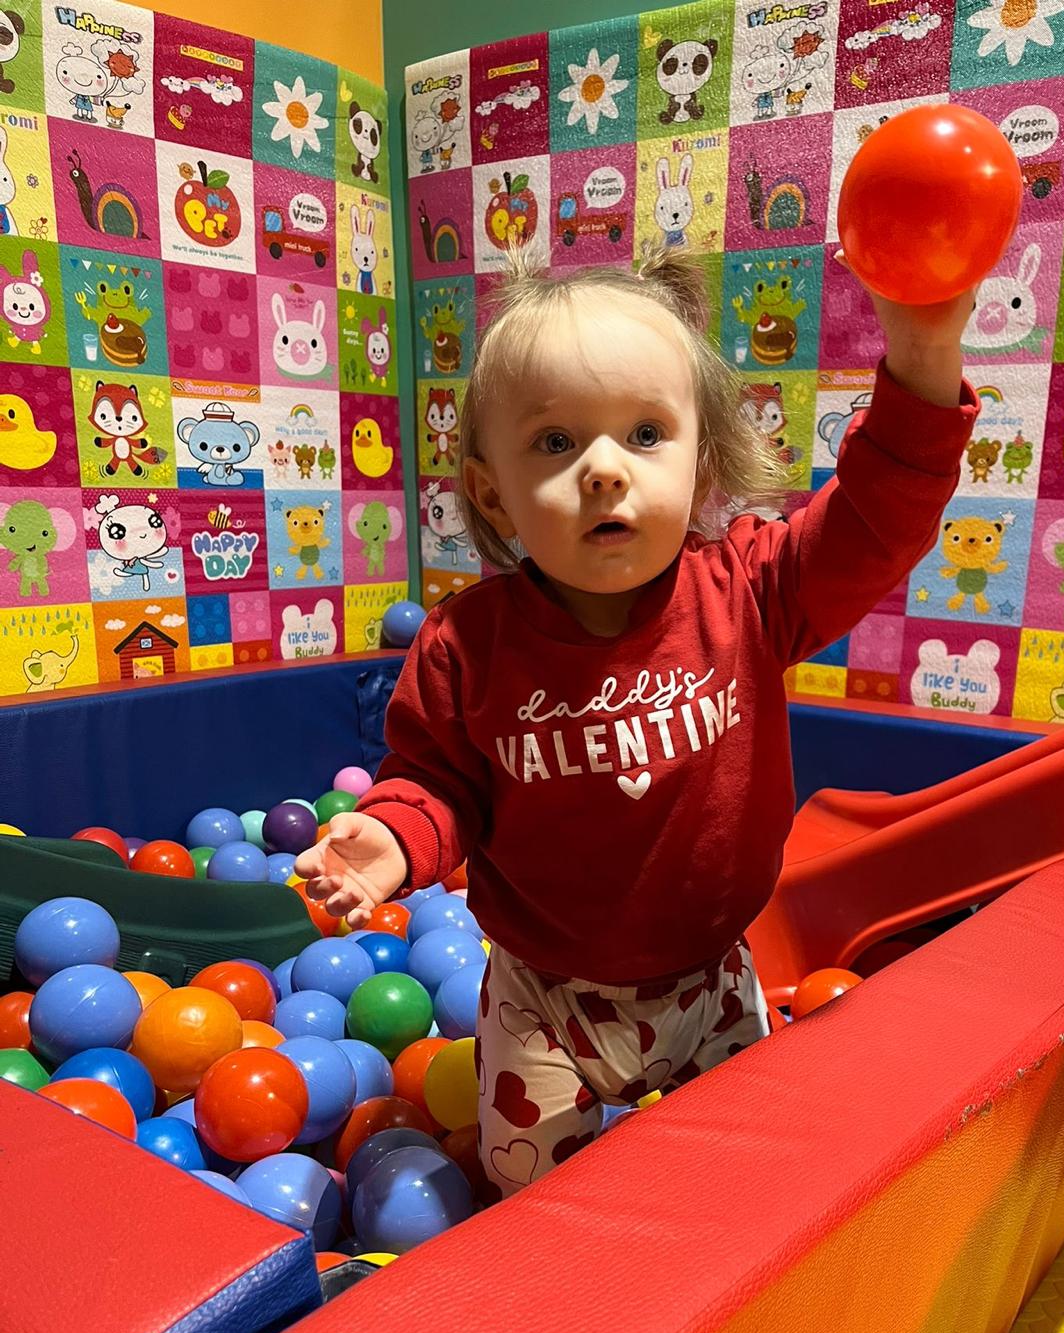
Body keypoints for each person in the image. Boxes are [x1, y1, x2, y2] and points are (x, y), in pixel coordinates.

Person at [296, 245, 979, 1200]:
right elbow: (439, 784)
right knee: (529, 1194)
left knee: (743, 1187)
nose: (606, 471)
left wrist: (923, 355)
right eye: (554, 442)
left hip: (713, 979)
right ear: (492, 490)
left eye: (646, 433)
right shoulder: (465, 648)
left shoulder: (749, 591)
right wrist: (394, 838)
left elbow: (876, 522)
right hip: (545, 996)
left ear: (702, 463)